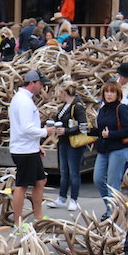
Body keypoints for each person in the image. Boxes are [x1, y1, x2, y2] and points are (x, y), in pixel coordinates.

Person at [8, 70, 57, 223]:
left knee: (40, 181)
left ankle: (38, 217)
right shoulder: (23, 101)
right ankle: (18, 222)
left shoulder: (24, 99)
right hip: (24, 150)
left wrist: (36, 145)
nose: (41, 87)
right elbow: (26, 128)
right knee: (21, 186)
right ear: (32, 83)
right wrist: (45, 132)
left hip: (29, 148)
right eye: (40, 84)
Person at [89, 80, 128, 220]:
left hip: (118, 149)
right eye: (106, 91)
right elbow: (102, 130)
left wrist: (111, 135)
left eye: (112, 91)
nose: (109, 94)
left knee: (113, 183)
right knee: (98, 179)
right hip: (104, 149)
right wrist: (90, 131)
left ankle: (112, 213)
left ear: (117, 94)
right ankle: (114, 207)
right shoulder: (103, 109)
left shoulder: (122, 108)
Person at [46, 80, 87, 211]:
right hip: (63, 143)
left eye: (59, 92)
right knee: (64, 172)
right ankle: (62, 198)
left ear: (63, 92)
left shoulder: (78, 106)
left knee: (74, 172)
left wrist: (66, 131)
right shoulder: (64, 106)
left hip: (74, 144)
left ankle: (74, 199)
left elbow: (83, 127)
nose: (58, 95)